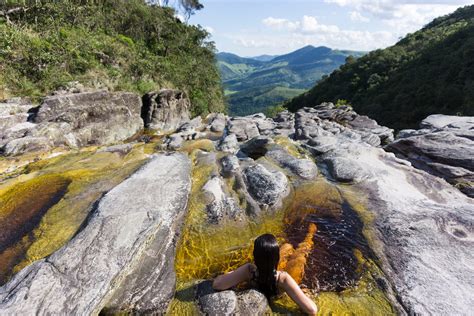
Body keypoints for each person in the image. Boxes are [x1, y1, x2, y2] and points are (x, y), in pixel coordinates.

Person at [212, 233, 318, 315]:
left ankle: (308, 235)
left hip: (268, 271)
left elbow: (217, 284)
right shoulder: (283, 278)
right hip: (277, 276)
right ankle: (310, 236)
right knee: (300, 255)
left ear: (254, 256)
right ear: (277, 259)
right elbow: (312, 310)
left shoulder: (249, 271)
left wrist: (232, 274)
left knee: (287, 247)